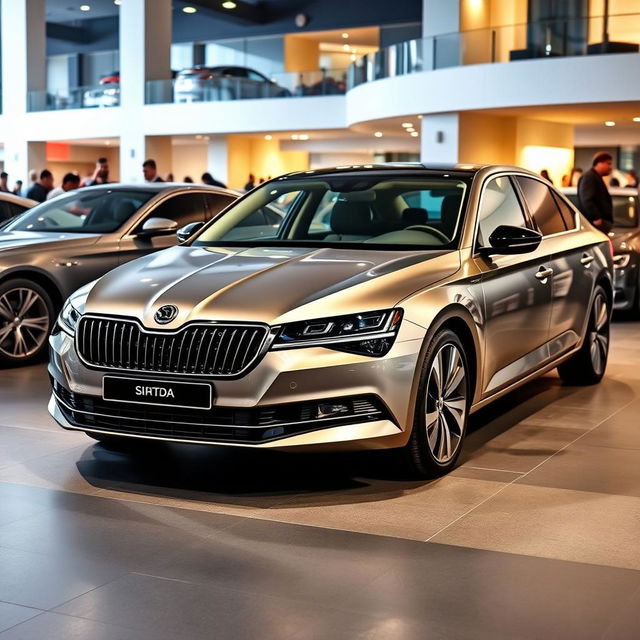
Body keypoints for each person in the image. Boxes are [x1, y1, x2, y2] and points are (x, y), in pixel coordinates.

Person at [577, 151, 613, 233]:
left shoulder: (594, 176)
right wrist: (596, 217)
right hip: (595, 223)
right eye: (608, 163)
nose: (610, 167)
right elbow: (586, 199)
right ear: (599, 163)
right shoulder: (590, 177)